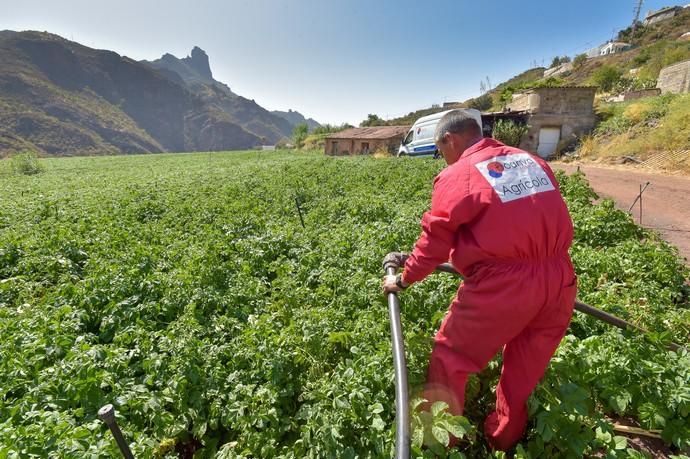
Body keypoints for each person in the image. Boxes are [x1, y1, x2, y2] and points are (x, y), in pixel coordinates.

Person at [382, 110, 576, 451]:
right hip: (559, 278)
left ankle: (442, 441)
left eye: (441, 151)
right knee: (524, 368)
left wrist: (404, 280)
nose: (442, 159)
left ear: (449, 140)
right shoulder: (531, 161)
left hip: (504, 286)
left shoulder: (459, 174)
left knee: (449, 356)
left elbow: (434, 243)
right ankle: (503, 439)